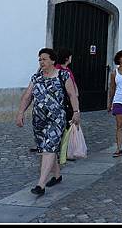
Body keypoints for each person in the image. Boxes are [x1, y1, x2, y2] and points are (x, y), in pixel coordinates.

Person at [16, 48, 80, 195]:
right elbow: (27, 96)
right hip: (39, 120)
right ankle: (57, 176)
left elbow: (72, 94)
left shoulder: (63, 75)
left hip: (56, 119)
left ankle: (41, 184)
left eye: (44, 59)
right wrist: (20, 112)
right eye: (40, 59)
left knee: (49, 147)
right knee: (45, 148)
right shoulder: (36, 78)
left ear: (52, 60)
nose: (41, 62)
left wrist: (76, 112)